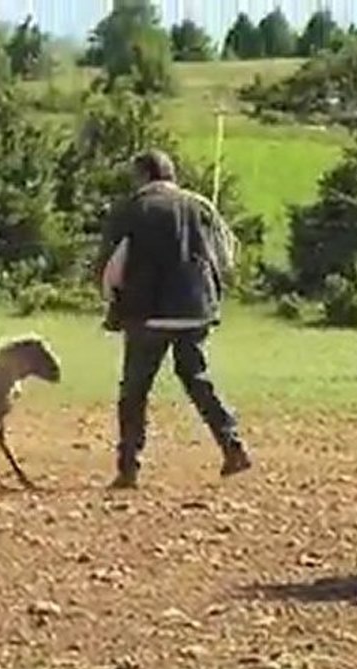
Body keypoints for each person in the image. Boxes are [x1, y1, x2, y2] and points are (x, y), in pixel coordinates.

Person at [99, 148, 251, 489]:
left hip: (147, 312)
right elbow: (227, 255)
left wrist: (112, 301)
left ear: (142, 176)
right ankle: (232, 445)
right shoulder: (200, 205)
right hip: (195, 310)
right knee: (197, 378)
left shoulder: (132, 209)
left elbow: (114, 266)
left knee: (135, 390)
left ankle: (129, 467)